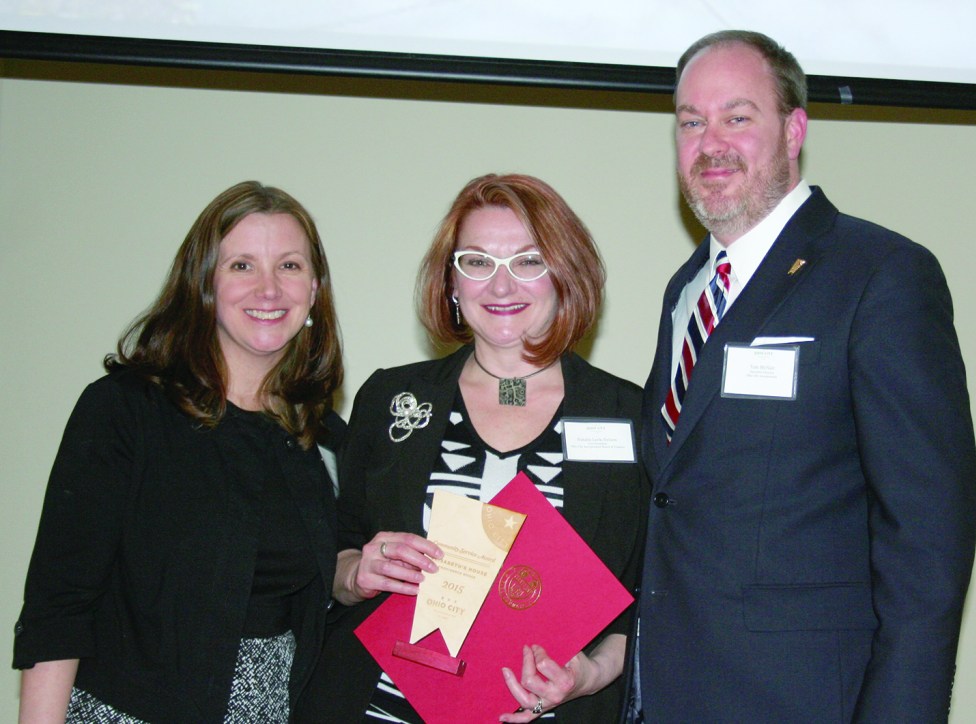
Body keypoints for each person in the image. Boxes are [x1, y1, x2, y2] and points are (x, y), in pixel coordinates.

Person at [631, 29, 976, 722]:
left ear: (794, 130)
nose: (711, 142)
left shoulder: (880, 275)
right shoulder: (688, 292)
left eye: (737, 117)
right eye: (691, 122)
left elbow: (927, 538)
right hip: (668, 696)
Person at [297, 173, 648, 723]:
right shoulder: (392, 397)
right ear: (452, 284)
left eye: (528, 261)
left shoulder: (630, 416)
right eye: (477, 262)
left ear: (565, 274)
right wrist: (357, 573)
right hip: (380, 709)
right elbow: (336, 555)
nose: (501, 287)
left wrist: (591, 674)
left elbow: (650, 598)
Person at [13, 181, 346, 722]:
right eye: (241, 265)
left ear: (313, 291)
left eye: (289, 266)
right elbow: (59, 608)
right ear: (203, 285)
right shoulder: (124, 411)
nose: (268, 289)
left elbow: (323, 586)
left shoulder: (321, 436)